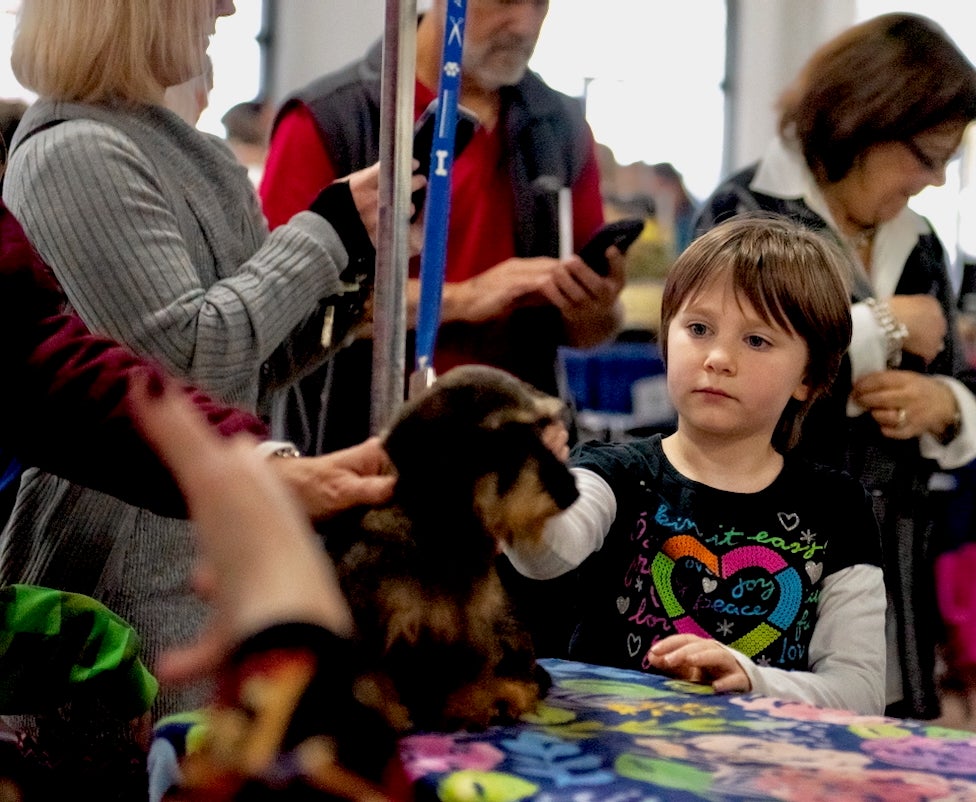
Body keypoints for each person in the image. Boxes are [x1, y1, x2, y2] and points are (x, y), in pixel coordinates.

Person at [0, 2, 412, 782]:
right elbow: (183, 358)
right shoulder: (73, 154)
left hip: (197, 549)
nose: (226, 5)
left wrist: (351, 281)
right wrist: (324, 232)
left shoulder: (197, 155)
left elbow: (248, 361)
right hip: (124, 575)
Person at [693, 12, 976, 719]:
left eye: (949, 159)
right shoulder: (745, 209)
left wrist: (942, 402)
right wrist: (882, 324)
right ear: (863, 122)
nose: (936, 180)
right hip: (769, 558)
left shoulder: (917, 240)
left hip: (894, 559)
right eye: (927, 155)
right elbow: (731, 367)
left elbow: (965, 382)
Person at [503, 214, 888, 715]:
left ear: (810, 377)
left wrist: (753, 679)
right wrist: (528, 484)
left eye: (757, 340)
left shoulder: (837, 507)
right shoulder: (613, 473)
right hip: (616, 758)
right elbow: (545, 556)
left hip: (761, 771)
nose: (718, 358)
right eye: (699, 328)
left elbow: (861, 694)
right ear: (666, 341)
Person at [259, 0, 626, 456]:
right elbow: (282, 308)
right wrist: (466, 298)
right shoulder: (328, 119)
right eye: (506, 0)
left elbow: (591, 331)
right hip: (359, 448)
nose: (525, 25)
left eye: (541, 3)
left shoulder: (560, 126)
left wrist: (595, 309)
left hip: (518, 463)